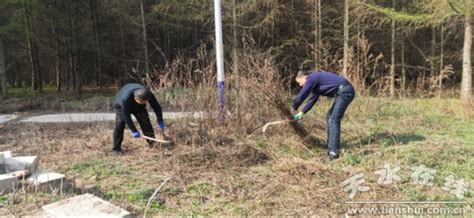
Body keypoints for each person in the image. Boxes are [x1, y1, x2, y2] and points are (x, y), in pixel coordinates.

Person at [291, 70, 355, 160]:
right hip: (343, 92)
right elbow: (312, 100)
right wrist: (302, 112)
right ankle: (331, 146)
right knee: (330, 117)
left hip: (345, 92)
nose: (300, 85)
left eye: (299, 82)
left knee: (333, 119)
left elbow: (303, 94)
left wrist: (293, 107)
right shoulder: (315, 82)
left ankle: (333, 152)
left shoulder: (312, 78)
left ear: (305, 77)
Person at [112, 83, 165, 154]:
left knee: (145, 121)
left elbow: (157, 107)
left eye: (145, 102)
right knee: (120, 124)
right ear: (135, 98)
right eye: (142, 102)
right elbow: (126, 116)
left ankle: (152, 144)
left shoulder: (148, 94)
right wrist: (134, 130)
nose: (144, 103)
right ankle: (116, 149)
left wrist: (160, 120)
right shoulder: (125, 99)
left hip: (138, 106)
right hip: (120, 106)